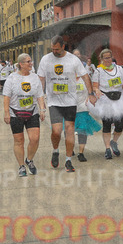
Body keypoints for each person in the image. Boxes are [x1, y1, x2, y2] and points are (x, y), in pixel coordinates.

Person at [37, 35, 97, 172]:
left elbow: (85, 76)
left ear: (63, 46)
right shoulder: (45, 59)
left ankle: (68, 161)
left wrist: (91, 93)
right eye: (52, 49)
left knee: (70, 130)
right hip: (54, 101)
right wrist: (40, 100)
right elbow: (41, 79)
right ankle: (55, 150)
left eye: (57, 49)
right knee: (56, 131)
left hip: (70, 101)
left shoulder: (73, 59)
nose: (54, 52)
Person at [3, 53, 46, 177]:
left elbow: (40, 95)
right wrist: (6, 113)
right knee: (19, 141)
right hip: (15, 112)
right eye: (28, 61)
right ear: (21, 64)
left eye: (31, 61)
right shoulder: (12, 78)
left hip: (32, 111)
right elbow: (6, 97)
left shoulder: (35, 77)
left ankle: (29, 159)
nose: (31, 63)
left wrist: (42, 109)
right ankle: (21, 166)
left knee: (35, 138)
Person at [90, 49, 123, 159]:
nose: (108, 60)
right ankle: (107, 148)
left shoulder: (119, 69)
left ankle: (114, 142)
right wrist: (97, 90)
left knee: (120, 126)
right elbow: (94, 86)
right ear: (101, 59)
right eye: (105, 58)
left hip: (119, 98)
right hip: (105, 99)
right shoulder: (98, 71)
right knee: (107, 125)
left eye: (109, 57)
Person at [74, 74, 102, 162]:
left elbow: (91, 88)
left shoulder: (85, 78)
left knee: (82, 130)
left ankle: (81, 153)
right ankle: (70, 148)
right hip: (70, 107)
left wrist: (93, 93)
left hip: (83, 107)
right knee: (68, 130)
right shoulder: (67, 78)